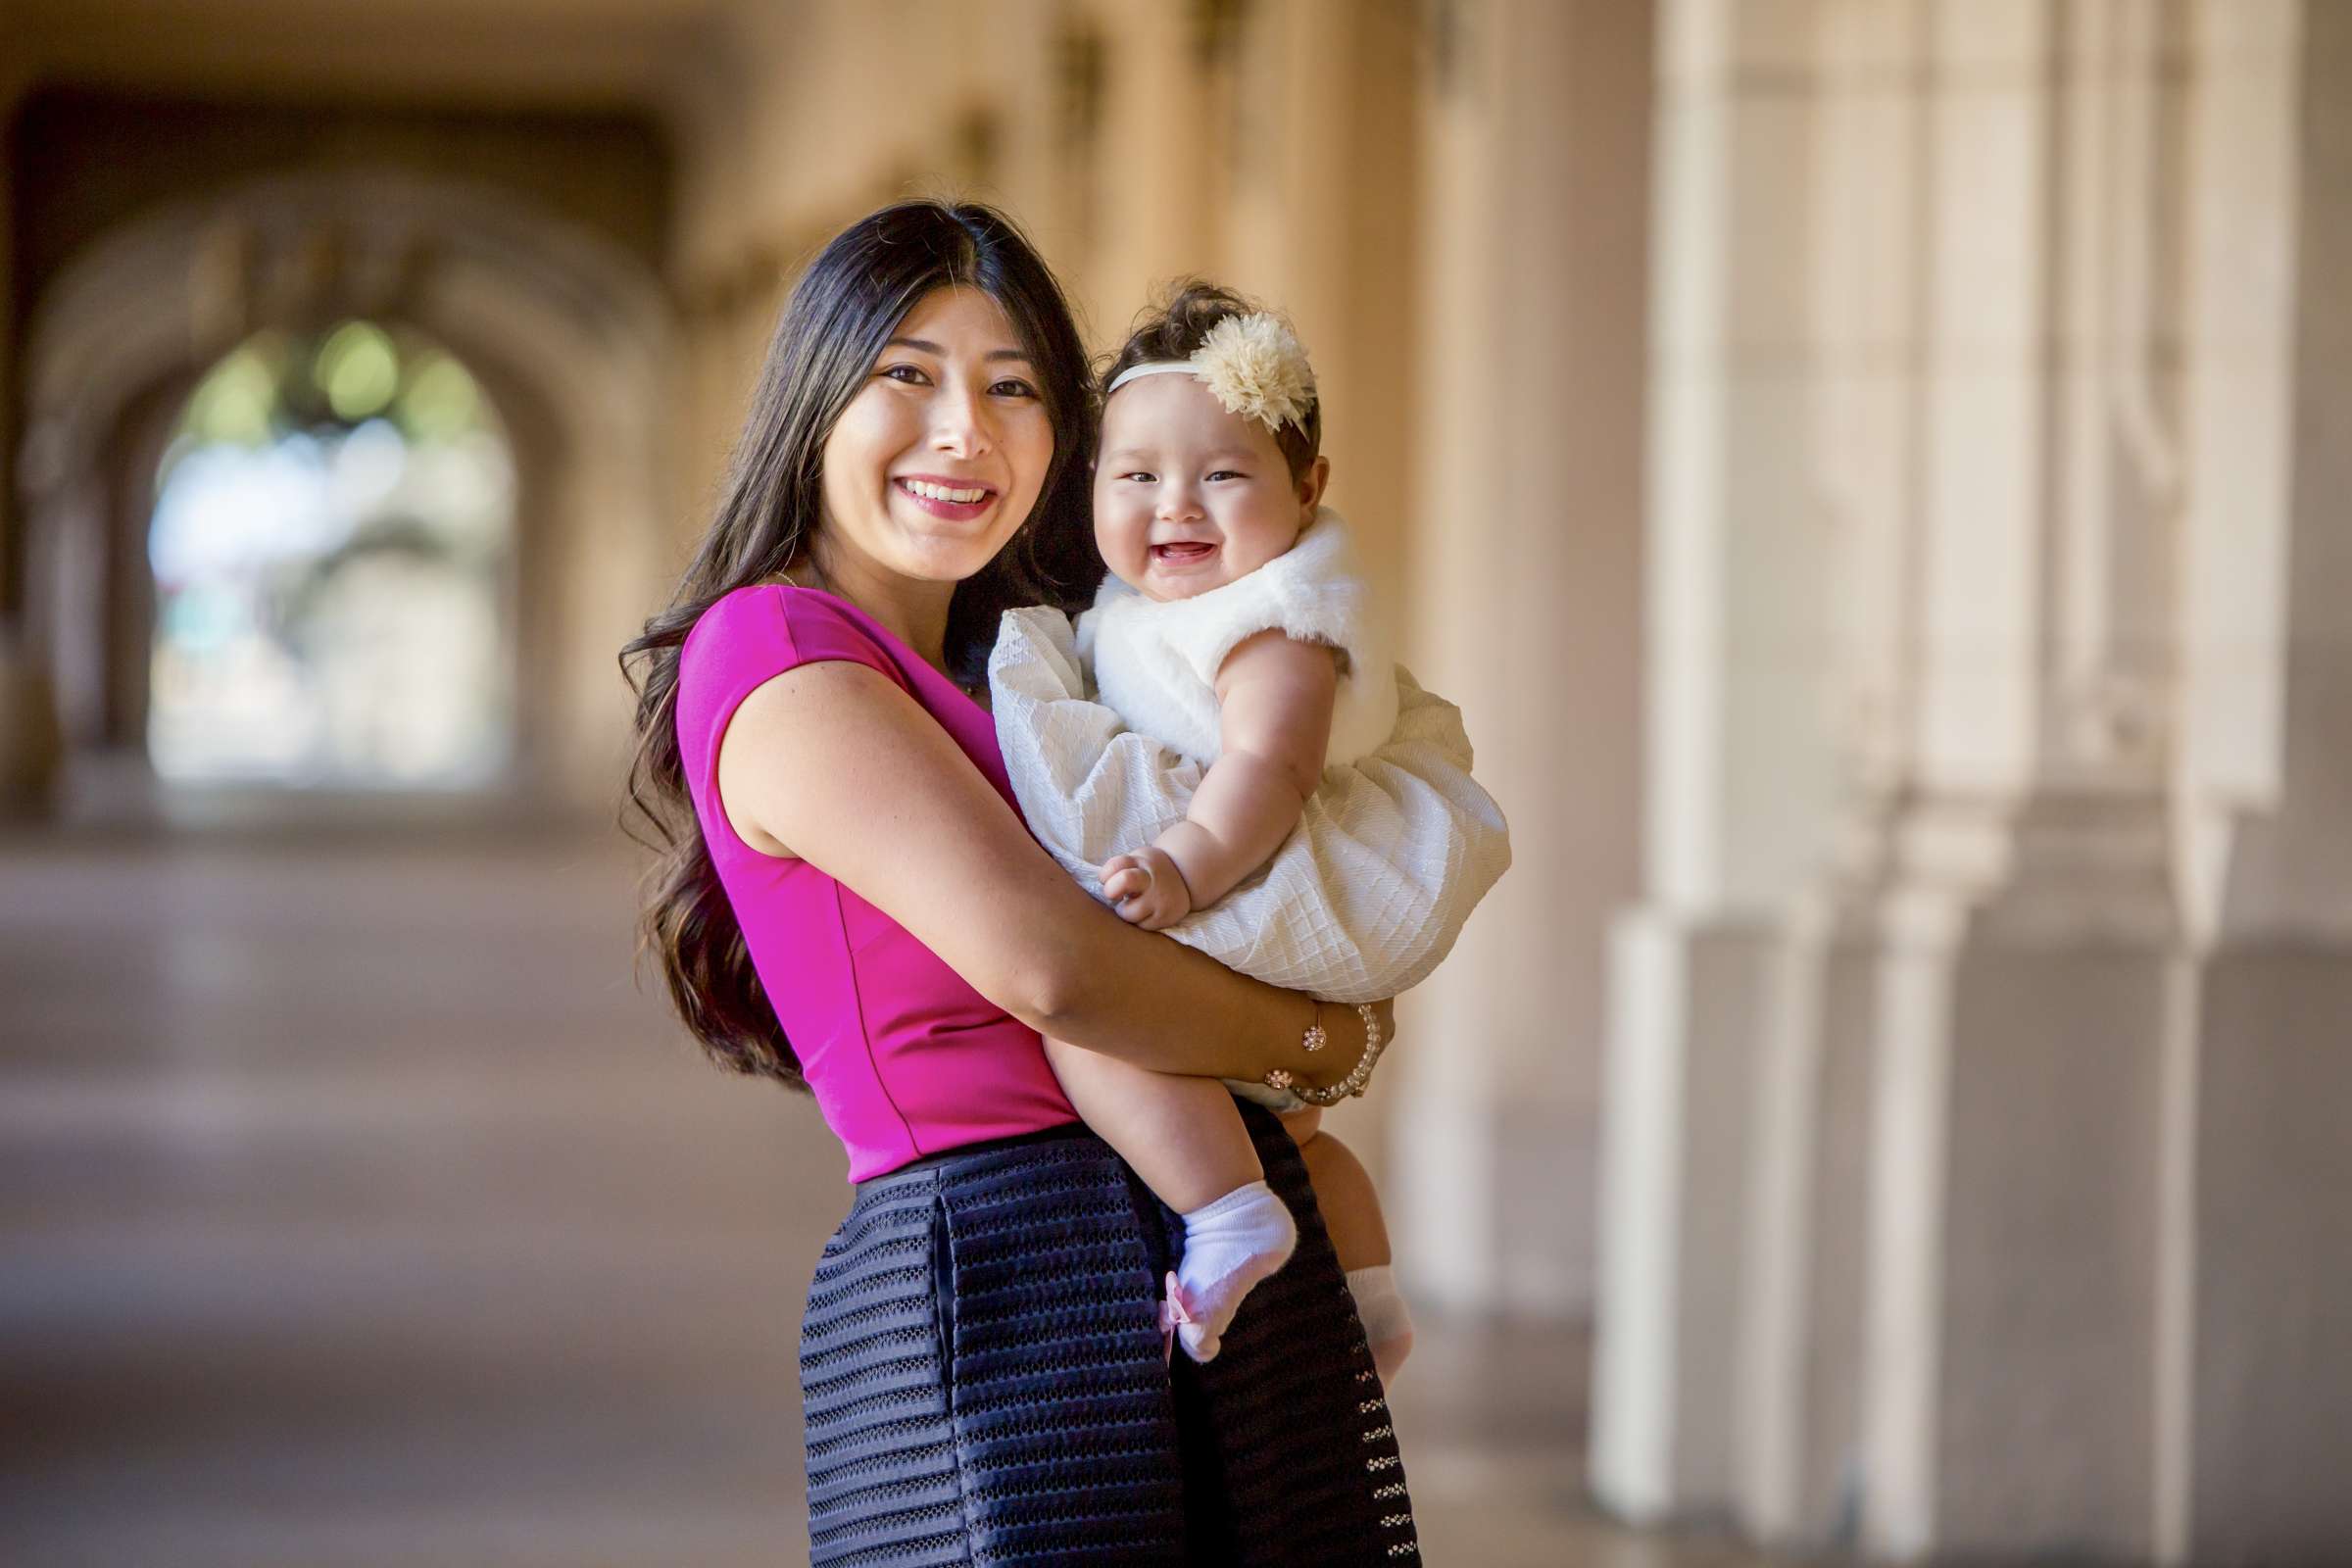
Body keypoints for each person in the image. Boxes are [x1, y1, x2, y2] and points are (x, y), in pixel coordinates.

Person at [617, 201, 1419, 1565]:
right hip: (1005, 1267)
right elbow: (1054, 969)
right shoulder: (777, 647)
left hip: (1189, 1237)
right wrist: (1319, 1034)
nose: (963, 435)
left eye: (1012, 390)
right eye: (909, 378)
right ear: (817, 397)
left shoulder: (1030, 663)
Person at [1010, 284, 1449, 1378]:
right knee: (1301, 1136)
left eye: (1222, 475)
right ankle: (1375, 1304)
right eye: (1138, 476)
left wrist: (1183, 863)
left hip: (1243, 872)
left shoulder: (1278, 622)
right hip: (1224, 883)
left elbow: (1272, 764)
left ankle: (1229, 1214)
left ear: (1307, 489)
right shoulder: (1151, 605)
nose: (1177, 507)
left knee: (1093, 1026)